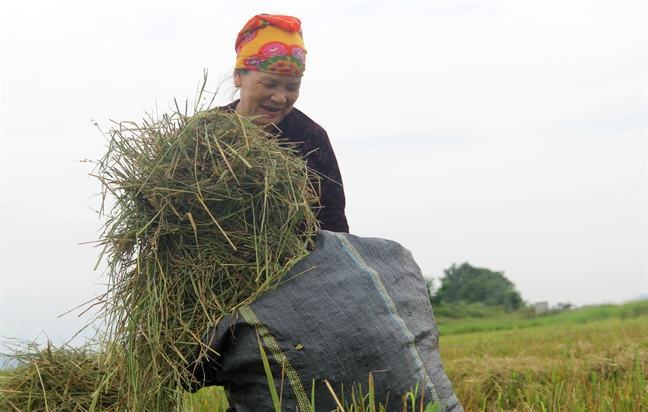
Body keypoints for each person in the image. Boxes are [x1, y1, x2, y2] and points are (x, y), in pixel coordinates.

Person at [222, 14, 349, 233]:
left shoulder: (310, 138)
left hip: (300, 264)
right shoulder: (204, 132)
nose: (280, 97)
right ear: (238, 77)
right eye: (270, 83)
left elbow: (333, 222)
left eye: (292, 87)